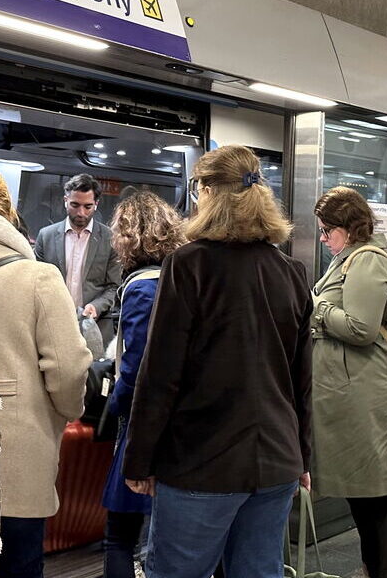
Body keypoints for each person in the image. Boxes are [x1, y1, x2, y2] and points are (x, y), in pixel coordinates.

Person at [123, 145, 313, 578]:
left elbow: (161, 375)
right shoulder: (291, 272)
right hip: (276, 460)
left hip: (201, 463)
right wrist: (302, 456)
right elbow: (302, 379)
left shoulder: (188, 266)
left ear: (207, 192)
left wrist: (139, 460)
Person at [0, 169, 92, 578]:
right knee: (19, 564)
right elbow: (69, 366)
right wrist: (66, 411)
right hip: (17, 455)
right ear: (10, 213)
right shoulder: (38, 276)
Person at [312, 187, 387, 578]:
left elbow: (361, 328)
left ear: (349, 227)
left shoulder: (367, 260)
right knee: (364, 494)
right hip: (356, 389)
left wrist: (316, 307)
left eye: (327, 230)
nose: (323, 238)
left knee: (371, 497)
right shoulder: (349, 258)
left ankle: (379, 572)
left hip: (368, 392)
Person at [100, 191, 187, 578]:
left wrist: (113, 404)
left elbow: (135, 368)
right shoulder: (181, 279)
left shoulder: (139, 288)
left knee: (119, 536)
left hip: (141, 427)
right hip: (179, 424)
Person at [34, 174, 123, 342]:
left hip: (95, 327)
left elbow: (114, 287)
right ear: (65, 200)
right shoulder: (46, 236)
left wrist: (96, 307)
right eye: (75, 205)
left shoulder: (110, 239)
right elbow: (36, 283)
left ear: (96, 204)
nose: (81, 212)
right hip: (52, 325)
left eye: (87, 206)